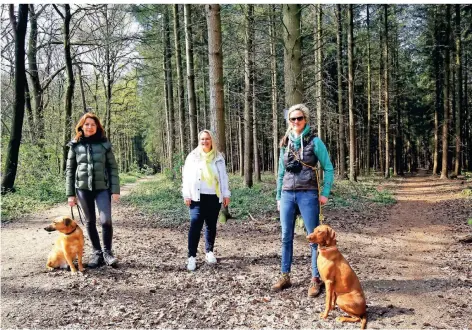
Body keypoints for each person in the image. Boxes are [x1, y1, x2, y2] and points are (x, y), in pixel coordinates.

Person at [272, 104, 334, 297]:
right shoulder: (286, 142)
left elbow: (329, 168)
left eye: (299, 118)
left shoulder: (315, 142)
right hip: (287, 194)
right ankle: (285, 275)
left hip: (308, 193)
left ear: (305, 119)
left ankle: (316, 279)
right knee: (285, 236)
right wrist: (278, 196)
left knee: (313, 238)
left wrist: (324, 193)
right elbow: (281, 173)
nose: (296, 122)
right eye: (292, 119)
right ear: (289, 121)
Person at [66, 113, 120, 268]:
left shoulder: (104, 144)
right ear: (81, 126)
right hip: (83, 189)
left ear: (98, 127)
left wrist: (115, 190)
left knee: (106, 221)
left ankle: (107, 253)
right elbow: (70, 171)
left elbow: (113, 168)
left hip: (102, 188)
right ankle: (96, 253)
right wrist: (70, 194)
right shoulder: (75, 145)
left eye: (93, 125)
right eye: (87, 124)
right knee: (89, 221)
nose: (90, 127)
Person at [182, 129, 231, 271]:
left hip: (214, 197)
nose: (205, 141)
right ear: (199, 141)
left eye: (207, 139)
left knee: (211, 225)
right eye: (202, 139)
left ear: (212, 141)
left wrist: (226, 194)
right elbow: (186, 176)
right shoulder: (193, 156)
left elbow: (223, 177)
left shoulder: (218, 157)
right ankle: (191, 256)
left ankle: (209, 252)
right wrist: (186, 194)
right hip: (197, 197)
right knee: (195, 225)